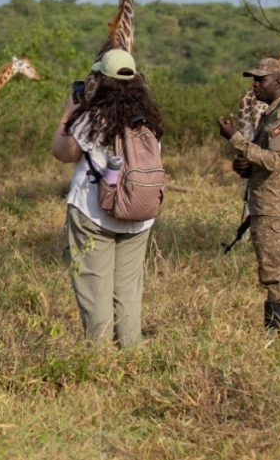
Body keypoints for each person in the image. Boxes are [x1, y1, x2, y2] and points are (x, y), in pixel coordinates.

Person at [51, 49, 163, 348]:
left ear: (100, 79)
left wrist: (69, 111)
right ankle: (131, 354)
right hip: (139, 215)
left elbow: (63, 153)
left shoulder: (93, 116)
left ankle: (99, 359)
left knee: (94, 287)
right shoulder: (149, 119)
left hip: (92, 214)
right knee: (127, 292)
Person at [218, 58, 280, 329]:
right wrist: (244, 165)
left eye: (261, 80)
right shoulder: (271, 115)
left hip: (278, 207)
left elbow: (276, 162)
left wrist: (236, 139)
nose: (255, 85)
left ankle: (278, 335)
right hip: (268, 204)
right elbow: (267, 160)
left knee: (277, 275)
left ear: (279, 83)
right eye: (254, 79)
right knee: (272, 271)